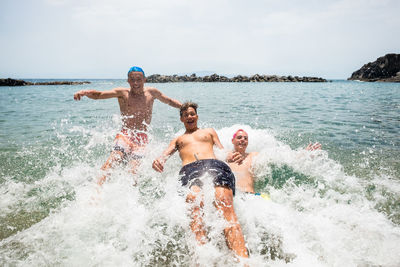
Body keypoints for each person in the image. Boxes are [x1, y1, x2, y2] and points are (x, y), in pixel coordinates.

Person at [152, 102, 249, 260]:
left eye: (192, 114)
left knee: (223, 201)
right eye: (186, 115)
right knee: (194, 202)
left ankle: (243, 260)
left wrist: (230, 155)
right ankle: (202, 258)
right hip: (190, 169)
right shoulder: (178, 139)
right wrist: (159, 160)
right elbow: (165, 154)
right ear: (181, 119)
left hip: (214, 164)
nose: (189, 116)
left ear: (197, 116)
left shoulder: (209, 132)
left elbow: (221, 150)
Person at [73, 66, 182, 186]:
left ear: (144, 80)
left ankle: (129, 199)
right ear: (128, 81)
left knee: (134, 171)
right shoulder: (122, 93)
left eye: (138, 79)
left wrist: (185, 107)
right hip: (125, 135)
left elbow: (169, 101)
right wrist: (85, 92)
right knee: (114, 160)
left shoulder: (152, 93)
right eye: (132, 79)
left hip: (141, 138)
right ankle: (96, 191)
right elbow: (99, 94)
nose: (135, 83)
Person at [226, 129, 321, 194]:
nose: (243, 140)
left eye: (245, 138)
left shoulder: (253, 156)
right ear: (233, 140)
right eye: (239, 137)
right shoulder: (225, 155)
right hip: (231, 195)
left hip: (250, 196)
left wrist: (305, 153)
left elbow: (283, 158)